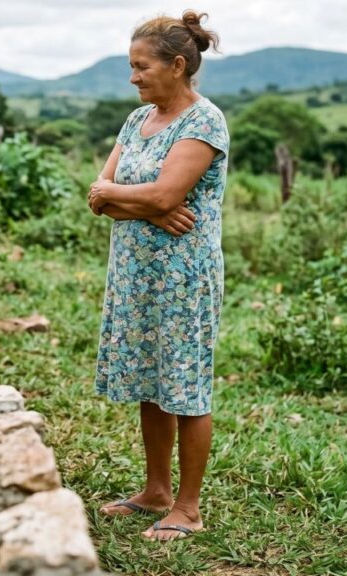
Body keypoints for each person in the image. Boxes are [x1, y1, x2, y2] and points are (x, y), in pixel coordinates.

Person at [86, 11, 228, 541]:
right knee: (152, 380)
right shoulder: (135, 120)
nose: (133, 77)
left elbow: (166, 195)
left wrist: (127, 198)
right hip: (135, 272)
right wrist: (137, 204)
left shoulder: (204, 122)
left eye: (141, 67)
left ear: (176, 65)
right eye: (130, 66)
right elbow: (99, 192)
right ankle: (155, 491)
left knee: (185, 386)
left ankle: (187, 508)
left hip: (182, 277)